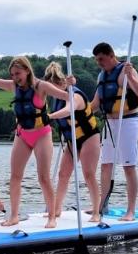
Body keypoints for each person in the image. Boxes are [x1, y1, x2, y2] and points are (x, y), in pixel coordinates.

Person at [0, 39, 74, 228]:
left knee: (43, 178)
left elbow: (65, 96)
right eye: (12, 74)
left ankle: (52, 216)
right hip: (22, 135)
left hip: (42, 135)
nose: (14, 78)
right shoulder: (13, 86)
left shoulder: (41, 86)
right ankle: (13, 216)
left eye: (18, 74)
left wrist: (69, 85)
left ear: (27, 71)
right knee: (15, 176)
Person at [90, 42, 138, 221]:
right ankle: (102, 206)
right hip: (109, 123)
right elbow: (94, 105)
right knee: (106, 164)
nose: (99, 63)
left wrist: (132, 77)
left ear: (111, 55)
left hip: (128, 121)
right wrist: (75, 114)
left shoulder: (125, 70)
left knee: (128, 166)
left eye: (101, 59)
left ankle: (130, 211)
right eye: (97, 60)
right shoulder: (102, 76)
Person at [42, 62, 102, 222]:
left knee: (89, 174)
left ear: (59, 83)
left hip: (89, 137)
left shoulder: (73, 95)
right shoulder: (58, 96)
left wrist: (51, 116)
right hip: (72, 140)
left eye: (52, 88)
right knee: (63, 174)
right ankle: (56, 209)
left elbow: (69, 109)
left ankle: (97, 211)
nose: (51, 93)